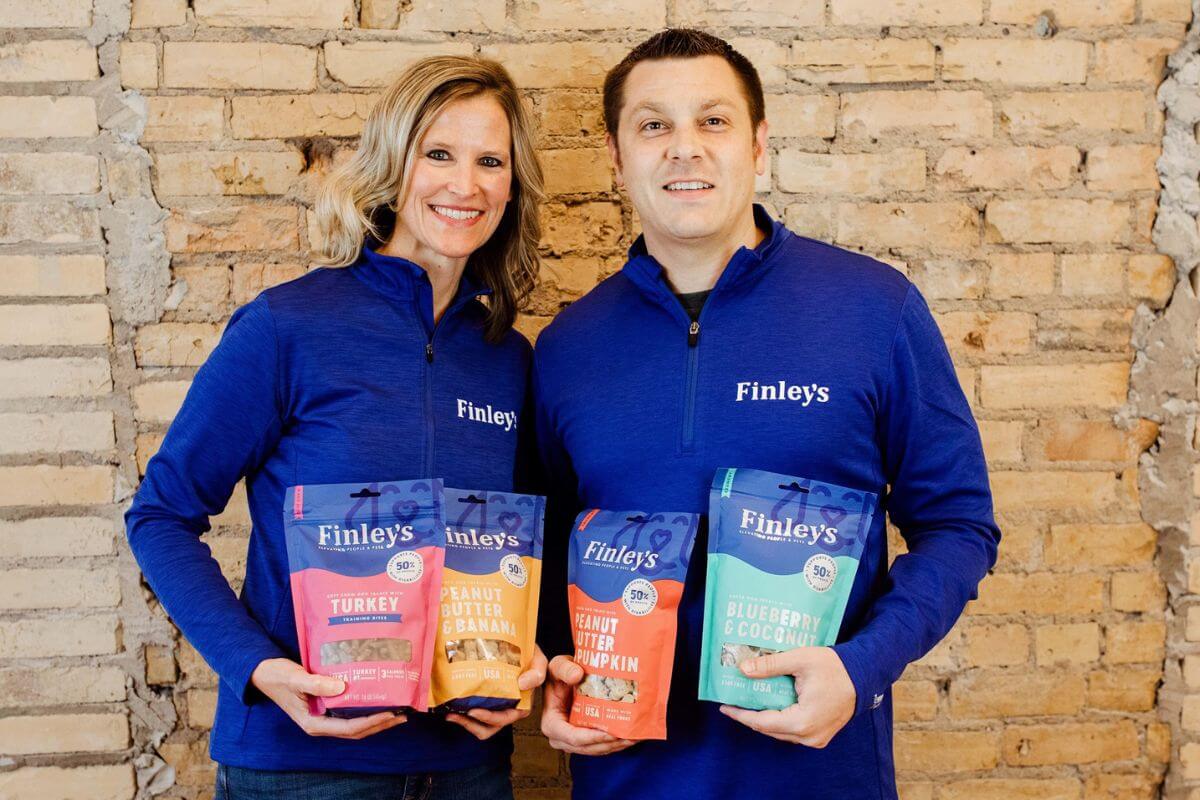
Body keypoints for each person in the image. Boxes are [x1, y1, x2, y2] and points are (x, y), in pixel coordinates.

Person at [533, 29, 1000, 799]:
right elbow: (550, 549)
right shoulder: (567, 347)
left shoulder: (873, 310)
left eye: (712, 121)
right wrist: (555, 674)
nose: (684, 148)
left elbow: (959, 525)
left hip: (820, 778)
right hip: (627, 781)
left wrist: (863, 666)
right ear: (617, 158)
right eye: (654, 125)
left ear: (758, 143)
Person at [126, 55, 547, 800]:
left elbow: (514, 549)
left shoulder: (507, 358)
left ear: (512, 186)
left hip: (466, 768)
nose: (466, 184)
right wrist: (257, 668)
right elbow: (161, 516)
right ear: (393, 164)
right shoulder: (289, 326)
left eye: (491, 161)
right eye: (438, 154)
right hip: (302, 765)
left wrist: (531, 657)